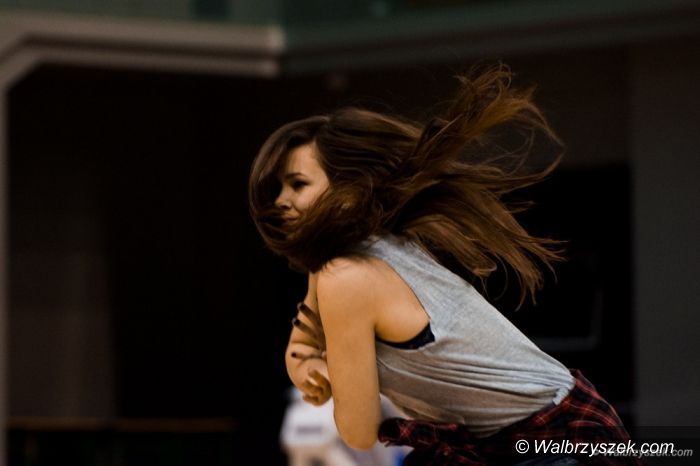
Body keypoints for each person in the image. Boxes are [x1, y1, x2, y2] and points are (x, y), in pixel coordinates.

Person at [248, 64, 641, 465]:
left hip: (553, 436)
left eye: (298, 184)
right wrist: (309, 364)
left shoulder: (346, 278)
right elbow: (302, 345)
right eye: (277, 188)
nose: (280, 201)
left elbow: (358, 431)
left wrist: (332, 371)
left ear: (348, 190)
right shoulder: (333, 266)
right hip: (508, 440)